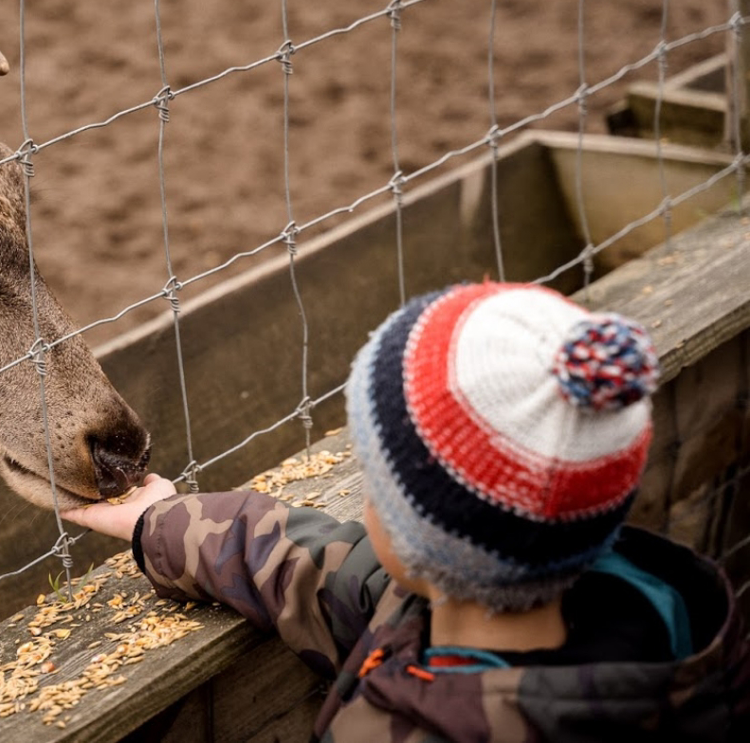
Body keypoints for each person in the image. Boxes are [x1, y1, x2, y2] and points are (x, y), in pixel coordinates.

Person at [62, 281, 750, 741]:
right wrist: (164, 521)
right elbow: (326, 568)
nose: (365, 508)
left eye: (376, 487)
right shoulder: (655, 615)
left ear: (421, 539)